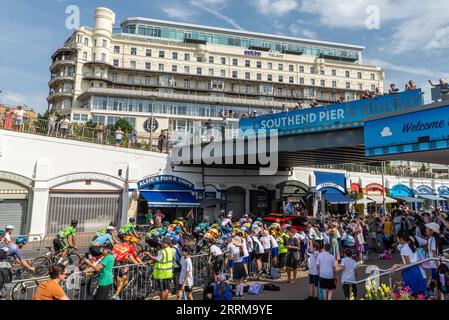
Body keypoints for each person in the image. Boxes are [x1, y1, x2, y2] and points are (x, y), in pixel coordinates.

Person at [391, 231, 427, 297]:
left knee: (411, 293)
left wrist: (396, 265)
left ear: (401, 239)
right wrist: (401, 263)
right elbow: (412, 260)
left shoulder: (404, 249)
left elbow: (408, 265)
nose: (397, 240)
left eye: (398, 238)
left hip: (410, 273)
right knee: (419, 294)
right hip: (417, 270)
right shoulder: (412, 245)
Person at [111, 235, 143, 300]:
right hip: (118, 262)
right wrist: (142, 264)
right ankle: (116, 295)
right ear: (131, 242)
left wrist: (138, 264)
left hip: (112, 260)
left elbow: (130, 257)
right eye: (135, 243)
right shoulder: (130, 247)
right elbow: (136, 257)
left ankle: (118, 287)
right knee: (124, 278)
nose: (136, 244)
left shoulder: (120, 244)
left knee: (125, 268)